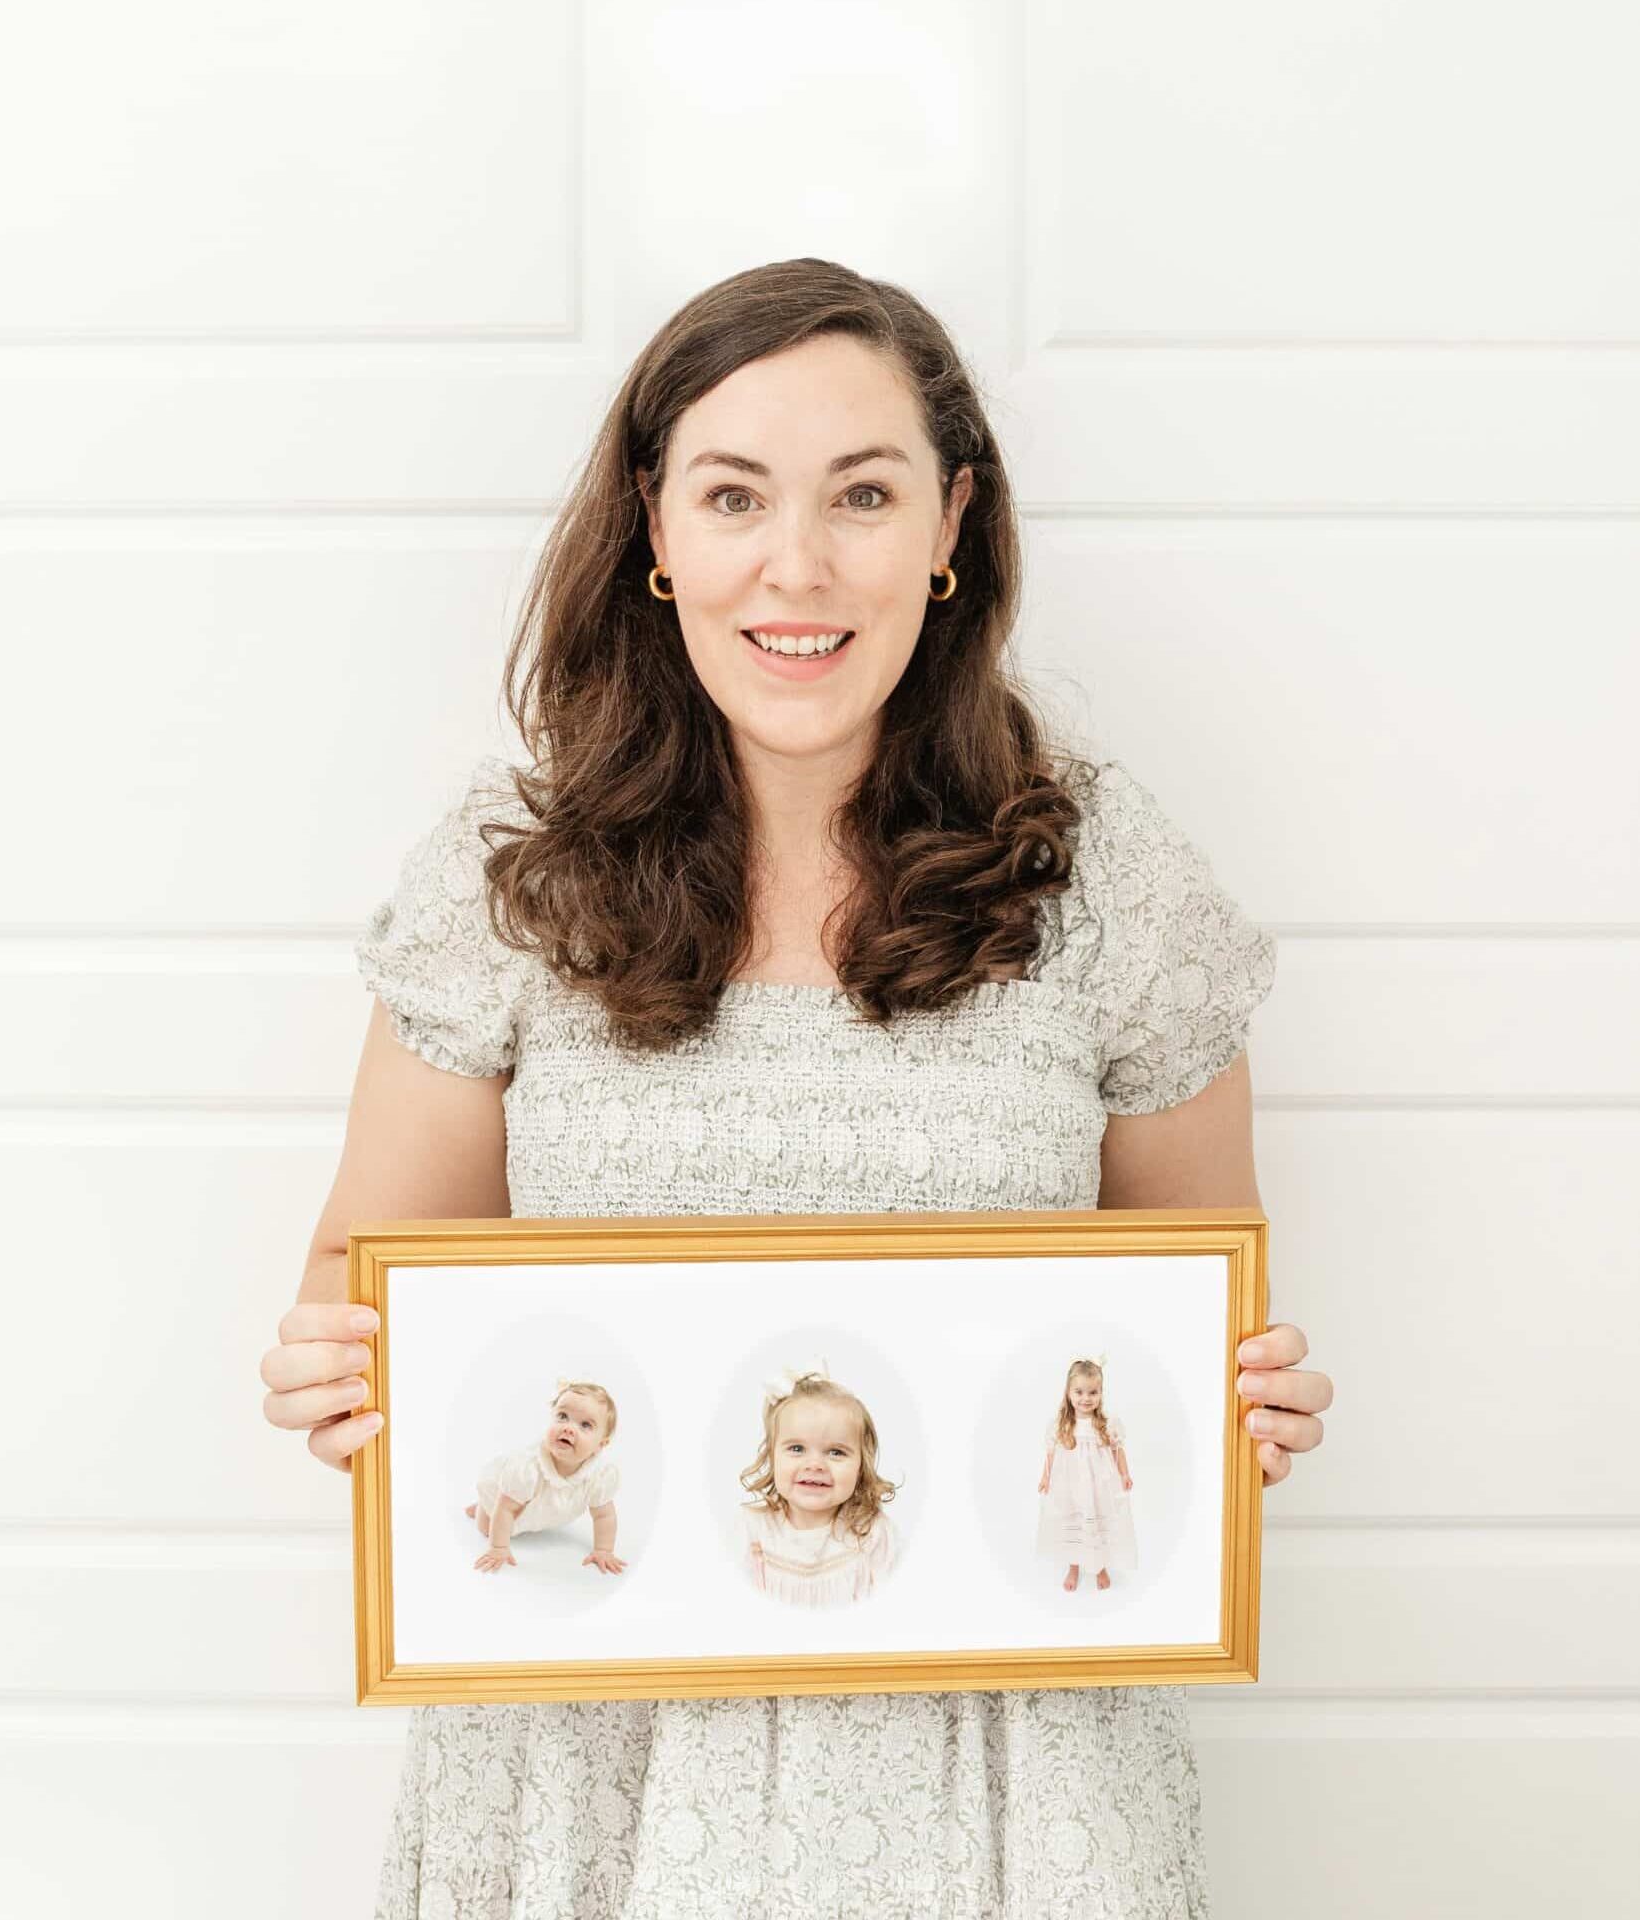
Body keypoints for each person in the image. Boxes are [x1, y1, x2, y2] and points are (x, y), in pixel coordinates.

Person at [258, 256, 1336, 1918]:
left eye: (863, 494)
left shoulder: (1112, 884)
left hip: (1005, 1779)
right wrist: (339, 1375)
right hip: (588, 1767)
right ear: (655, 532)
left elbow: (1195, 1317)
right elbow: (361, 1280)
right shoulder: (515, 885)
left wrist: (1240, 1416)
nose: (799, 565)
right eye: (735, 495)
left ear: (950, 522)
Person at [737, 1364, 899, 1608]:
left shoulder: (872, 1535)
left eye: (835, 1452)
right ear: (772, 1456)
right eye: (797, 1449)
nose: (815, 1465)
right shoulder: (752, 1533)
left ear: (860, 1465)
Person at [465, 1379, 625, 1575]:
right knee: (487, 1526)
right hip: (508, 1501)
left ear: (601, 1444)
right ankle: (482, 1505)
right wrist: (499, 1548)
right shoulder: (527, 1470)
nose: (569, 1428)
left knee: (515, 1511)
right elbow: (506, 1508)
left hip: (539, 1509)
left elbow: (603, 1515)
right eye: (563, 1416)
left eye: (585, 1425)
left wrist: (603, 1550)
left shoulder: (599, 1476)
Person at [1036, 1356, 1137, 1591]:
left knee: (1096, 1522)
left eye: (1093, 1392)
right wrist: (1045, 1477)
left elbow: (1118, 1451)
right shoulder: (1062, 1425)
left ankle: (1100, 1567)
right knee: (1074, 1520)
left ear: (1101, 1393)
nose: (1085, 1399)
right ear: (1068, 1392)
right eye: (1079, 1392)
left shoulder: (1106, 1424)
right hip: (1070, 1485)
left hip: (1098, 1485)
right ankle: (1074, 1565)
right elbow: (1051, 1454)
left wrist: (1124, 1474)